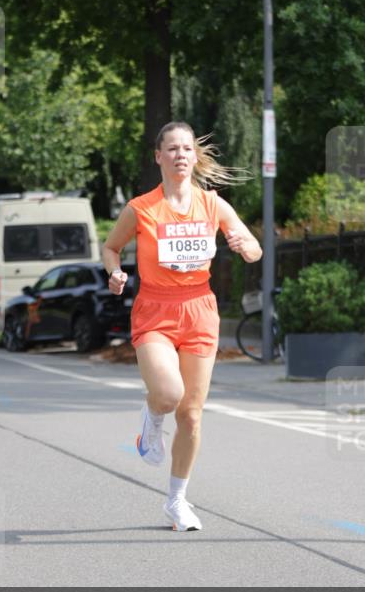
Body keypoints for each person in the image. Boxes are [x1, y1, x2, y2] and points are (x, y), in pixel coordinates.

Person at [102, 121, 262, 532]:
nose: (179, 155)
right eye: (171, 149)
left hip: (199, 310)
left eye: (186, 148)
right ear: (158, 156)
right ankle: (152, 419)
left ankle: (177, 501)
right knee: (170, 394)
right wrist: (115, 273)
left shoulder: (213, 205)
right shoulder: (140, 208)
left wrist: (247, 248)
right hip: (155, 309)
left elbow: (254, 249)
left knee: (191, 415)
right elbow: (111, 247)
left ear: (194, 156)